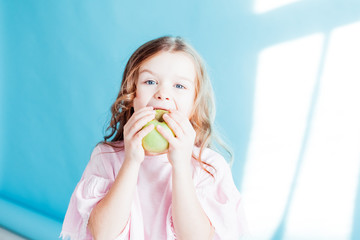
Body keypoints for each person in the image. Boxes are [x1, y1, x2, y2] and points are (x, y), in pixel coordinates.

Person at [60, 36, 246, 240]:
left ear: (194, 104)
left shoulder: (209, 167)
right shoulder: (106, 157)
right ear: (133, 96)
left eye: (179, 86)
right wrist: (131, 161)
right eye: (150, 81)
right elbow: (103, 234)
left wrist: (181, 166)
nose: (163, 94)